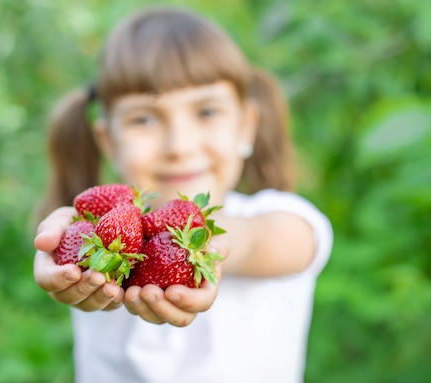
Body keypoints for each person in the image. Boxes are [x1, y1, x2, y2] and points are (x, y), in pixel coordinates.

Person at [33, 5, 333, 383]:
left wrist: (209, 241)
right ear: (108, 142)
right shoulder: (102, 239)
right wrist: (71, 255)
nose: (180, 145)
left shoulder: (281, 217)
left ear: (246, 126)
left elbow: (260, 241)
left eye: (206, 112)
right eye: (143, 118)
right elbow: (93, 278)